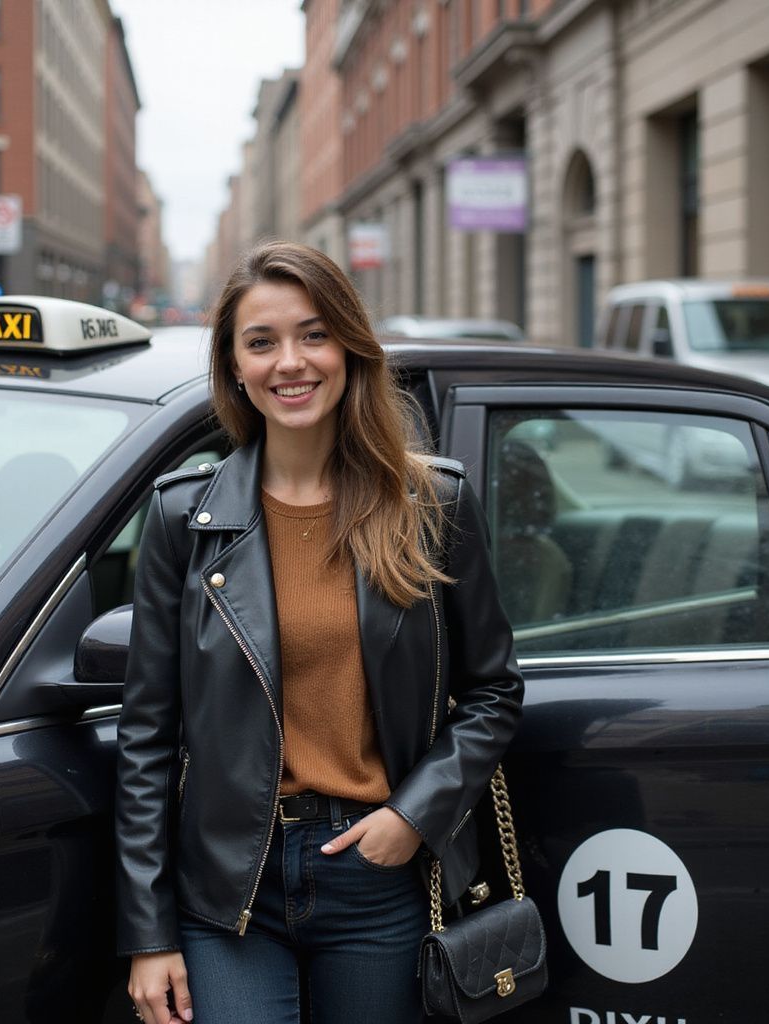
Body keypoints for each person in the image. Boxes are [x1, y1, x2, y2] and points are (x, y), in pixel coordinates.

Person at [116, 241, 524, 1024]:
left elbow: (493, 691)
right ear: (234, 365)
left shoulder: (431, 506)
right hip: (229, 885)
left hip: (375, 873)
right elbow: (146, 739)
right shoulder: (182, 520)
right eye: (260, 342)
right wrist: (148, 931)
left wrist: (413, 816)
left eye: (313, 334)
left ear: (348, 349)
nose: (290, 362)